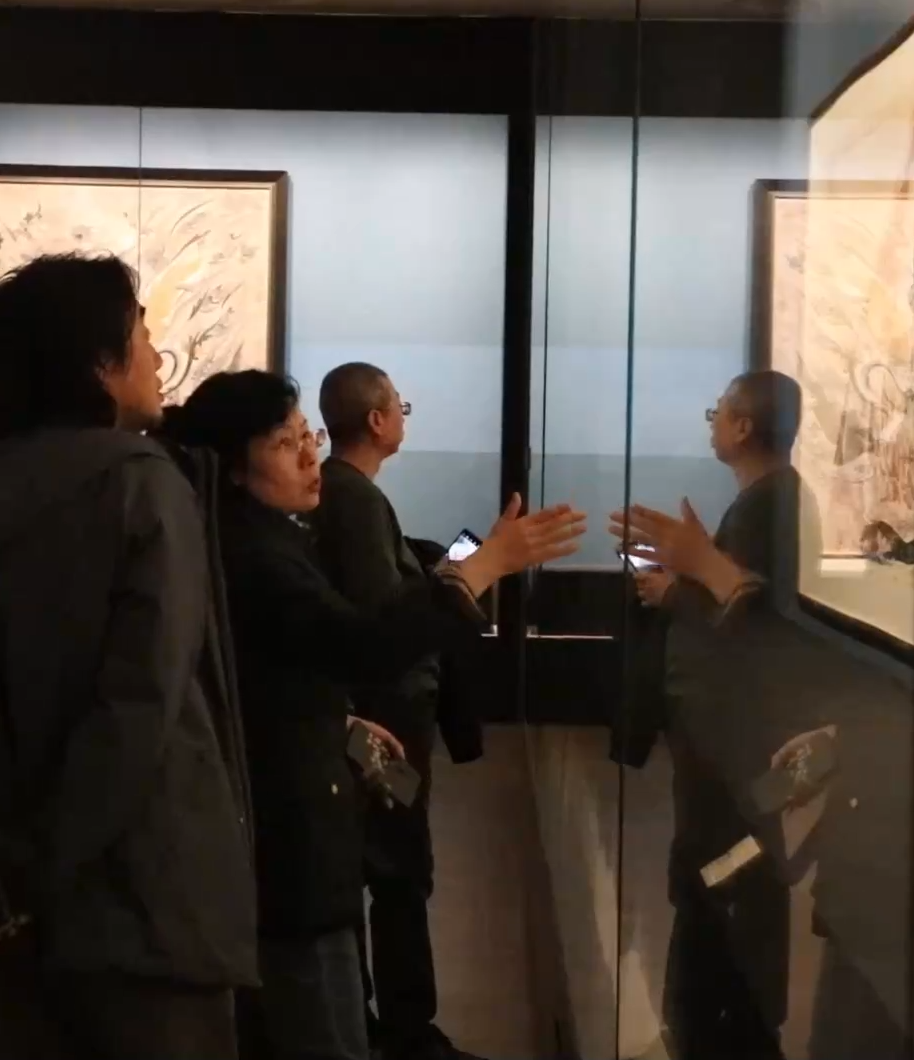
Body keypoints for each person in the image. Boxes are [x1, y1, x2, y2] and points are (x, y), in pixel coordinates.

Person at [0, 253, 257, 1060]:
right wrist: (32, 868)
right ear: (99, 364)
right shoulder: (142, 486)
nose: (157, 357)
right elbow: (137, 711)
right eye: (141, 335)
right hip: (145, 903)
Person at [162, 369, 584, 1060]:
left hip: (311, 788)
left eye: (306, 435)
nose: (307, 454)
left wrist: (338, 723)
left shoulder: (267, 535)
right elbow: (364, 638)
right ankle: (409, 1034)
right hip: (293, 825)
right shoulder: (264, 549)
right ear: (234, 466)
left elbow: (282, 667)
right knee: (337, 971)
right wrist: (477, 571)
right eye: (285, 443)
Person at [610, 370, 820, 1060]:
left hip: (735, 748)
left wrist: (676, 591)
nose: (712, 421)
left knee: (727, 880)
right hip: (724, 744)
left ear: (743, 427)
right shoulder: (765, 502)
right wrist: (687, 577)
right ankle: (709, 1024)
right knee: (711, 881)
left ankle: (725, 1030)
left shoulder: (770, 507)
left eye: (718, 411)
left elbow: (753, 630)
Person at [311, 363, 483, 1060]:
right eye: (399, 406)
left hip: (376, 719)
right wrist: (457, 582)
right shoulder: (353, 499)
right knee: (399, 873)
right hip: (386, 726)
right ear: (378, 420)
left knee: (387, 870)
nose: (403, 416)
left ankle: (379, 1025)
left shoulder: (347, 493)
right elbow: (385, 622)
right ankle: (406, 1034)